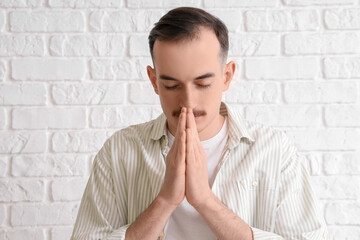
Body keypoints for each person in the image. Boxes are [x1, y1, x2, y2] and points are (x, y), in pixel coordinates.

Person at [71, 7, 327, 240]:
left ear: (227, 77)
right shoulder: (119, 150)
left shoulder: (275, 151)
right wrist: (165, 200)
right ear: (153, 81)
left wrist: (205, 200)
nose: (188, 101)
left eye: (203, 84)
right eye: (171, 85)